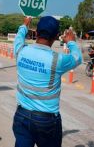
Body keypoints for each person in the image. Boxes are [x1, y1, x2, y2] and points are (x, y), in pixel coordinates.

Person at [13, 16, 82, 147]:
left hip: (21, 115)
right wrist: (71, 42)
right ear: (56, 36)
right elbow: (77, 58)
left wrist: (24, 25)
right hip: (46, 121)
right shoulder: (58, 60)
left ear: (37, 33)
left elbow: (19, 37)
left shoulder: (21, 51)